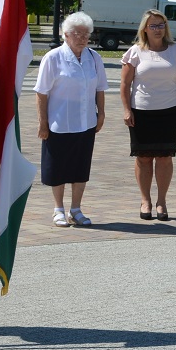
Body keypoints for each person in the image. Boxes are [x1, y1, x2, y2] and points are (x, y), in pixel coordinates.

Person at [34, 11, 108, 227]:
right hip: (59, 123)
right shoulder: (53, 58)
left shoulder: (94, 58)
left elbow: (100, 88)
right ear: (66, 34)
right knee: (57, 168)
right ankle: (58, 209)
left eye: (86, 34)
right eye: (77, 33)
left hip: (86, 122)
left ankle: (76, 209)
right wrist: (42, 122)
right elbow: (41, 92)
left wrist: (101, 113)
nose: (82, 38)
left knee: (80, 167)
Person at [120, 9, 176, 222]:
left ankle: (161, 201)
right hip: (141, 112)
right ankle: (145, 201)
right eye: (153, 26)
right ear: (145, 29)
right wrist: (126, 109)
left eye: (161, 25)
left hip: (168, 112)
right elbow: (125, 83)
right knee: (143, 158)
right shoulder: (135, 52)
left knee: (164, 157)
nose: (158, 29)